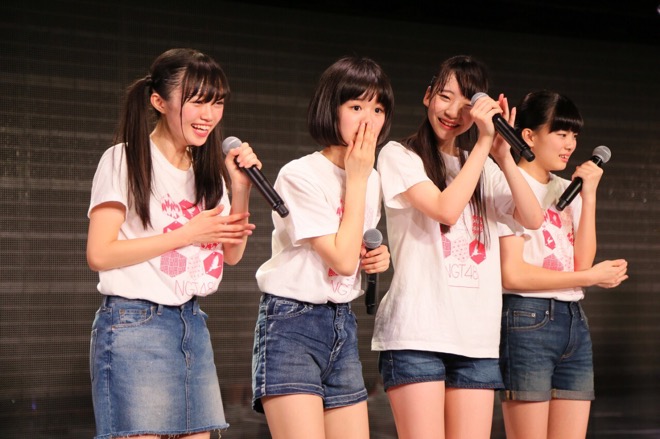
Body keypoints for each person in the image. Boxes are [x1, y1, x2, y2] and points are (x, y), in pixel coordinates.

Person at [86, 48, 260, 439]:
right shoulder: (123, 160)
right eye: (197, 101)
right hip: (134, 324)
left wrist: (240, 187)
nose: (208, 114)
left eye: (217, 102)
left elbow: (231, 254)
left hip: (191, 324)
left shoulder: (207, 171)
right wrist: (185, 235)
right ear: (159, 101)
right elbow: (99, 253)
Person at [371, 55, 545, 439]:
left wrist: (502, 155)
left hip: (475, 339)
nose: (453, 112)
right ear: (428, 96)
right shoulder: (399, 155)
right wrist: (483, 142)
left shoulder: (484, 164)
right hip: (416, 335)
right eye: (445, 96)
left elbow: (533, 218)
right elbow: (445, 210)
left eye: (467, 105)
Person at [251, 56, 393, 439]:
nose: (369, 120)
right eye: (357, 107)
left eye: (378, 109)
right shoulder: (300, 175)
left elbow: (353, 249)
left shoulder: (372, 179)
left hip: (341, 321)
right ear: (332, 109)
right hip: (292, 323)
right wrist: (358, 177)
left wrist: (375, 257)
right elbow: (342, 260)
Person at [497, 90, 629, 439]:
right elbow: (512, 274)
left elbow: (581, 262)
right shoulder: (508, 183)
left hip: (573, 320)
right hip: (527, 318)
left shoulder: (568, 188)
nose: (570, 144)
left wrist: (589, 194)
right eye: (561, 133)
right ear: (529, 136)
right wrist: (589, 276)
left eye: (574, 135)